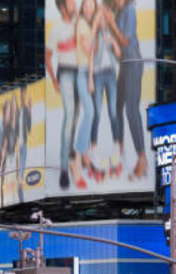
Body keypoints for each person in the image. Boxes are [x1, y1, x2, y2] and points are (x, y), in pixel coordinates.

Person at [104, 0, 146, 181]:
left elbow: (126, 41)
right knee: (116, 106)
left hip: (134, 63)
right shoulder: (119, 14)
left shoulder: (129, 10)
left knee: (131, 110)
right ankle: (120, 150)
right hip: (124, 64)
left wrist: (112, 24)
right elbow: (118, 51)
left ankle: (142, 158)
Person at [45, 0, 79, 189]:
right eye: (71, 3)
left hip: (81, 73)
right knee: (70, 115)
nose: (74, 6)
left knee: (79, 114)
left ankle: (72, 148)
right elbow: (48, 56)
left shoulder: (79, 24)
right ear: (63, 7)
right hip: (65, 72)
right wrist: (54, 80)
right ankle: (64, 169)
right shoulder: (57, 29)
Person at [90, 0, 121, 177]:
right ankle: (93, 149)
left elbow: (118, 54)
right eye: (99, 17)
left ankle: (116, 147)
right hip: (97, 74)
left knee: (113, 111)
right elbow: (91, 55)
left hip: (110, 73)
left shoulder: (112, 33)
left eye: (104, 17)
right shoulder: (93, 34)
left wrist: (113, 43)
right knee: (96, 112)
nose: (102, 20)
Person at [73, 0, 101, 186]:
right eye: (86, 6)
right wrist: (90, 78)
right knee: (89, 113)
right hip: (83, 73)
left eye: (92, 6)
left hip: (89, 72)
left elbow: (94, 53)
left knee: (92, 114)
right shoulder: (83, 24)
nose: (89, 9)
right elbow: (88, 50)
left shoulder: (87, 25)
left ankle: (85, 158)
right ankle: (77, 158)